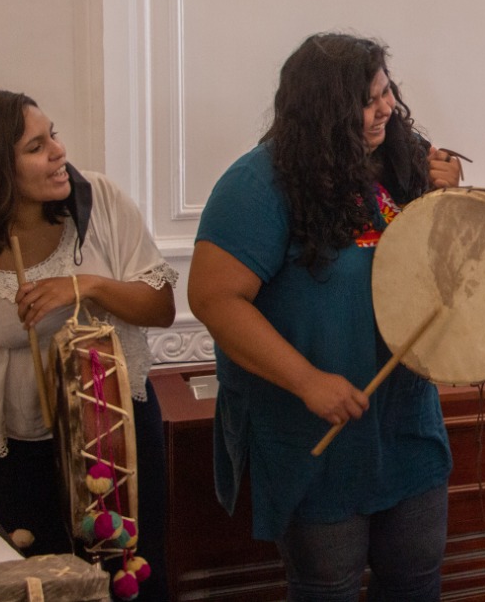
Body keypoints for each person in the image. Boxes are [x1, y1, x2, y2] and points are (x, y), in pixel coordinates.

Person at [187, 32, 463, 602]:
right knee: (327, 588)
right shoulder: (256, 184)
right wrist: (308, 381)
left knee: (415, 582)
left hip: (404, 419)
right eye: (368, 100)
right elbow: (214, 300)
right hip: (314, 429)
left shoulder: (400, 162)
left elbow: (439, 268)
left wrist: (447, 196)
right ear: (323, 111)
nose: (386, 108)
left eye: (387, 91)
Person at [0, 88, 178, 600]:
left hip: (116, 433)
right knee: (42, 584)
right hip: (20, 453)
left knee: (133, 577)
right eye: (35, 146)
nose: (58, 152)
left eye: (53, 135)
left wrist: (85, 286)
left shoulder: (101, 201)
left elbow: (160, 308)